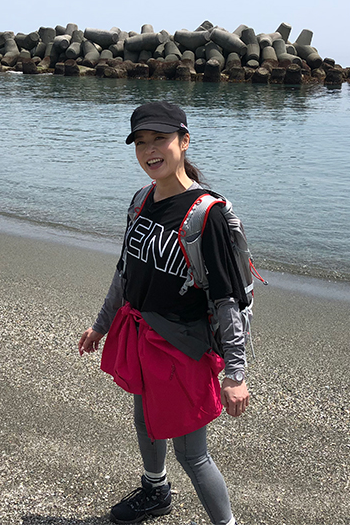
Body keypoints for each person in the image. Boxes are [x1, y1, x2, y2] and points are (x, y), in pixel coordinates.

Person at [78, 101, 250, 525]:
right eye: (141, 142)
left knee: (192, 454)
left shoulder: (206, 215)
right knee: (145, 420)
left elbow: (227, 300)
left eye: (160, 139)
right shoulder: (142, 199)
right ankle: (155, 491)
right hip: (142, 334)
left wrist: (235, 373)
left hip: (183, 346)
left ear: (184, 141)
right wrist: (101, 324)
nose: (150, 150)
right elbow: (125, 271)